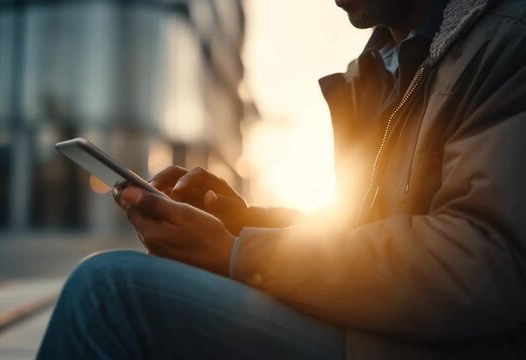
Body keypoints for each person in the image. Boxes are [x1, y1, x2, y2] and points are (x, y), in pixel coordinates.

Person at [37, 0, 526, 358]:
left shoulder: (507, 37)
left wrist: (240, 254)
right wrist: (239, 222)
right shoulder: (385, 69)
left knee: (106, 296)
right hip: (376, 331)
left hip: (418, 345)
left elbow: (489, 258)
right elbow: (363, 233)